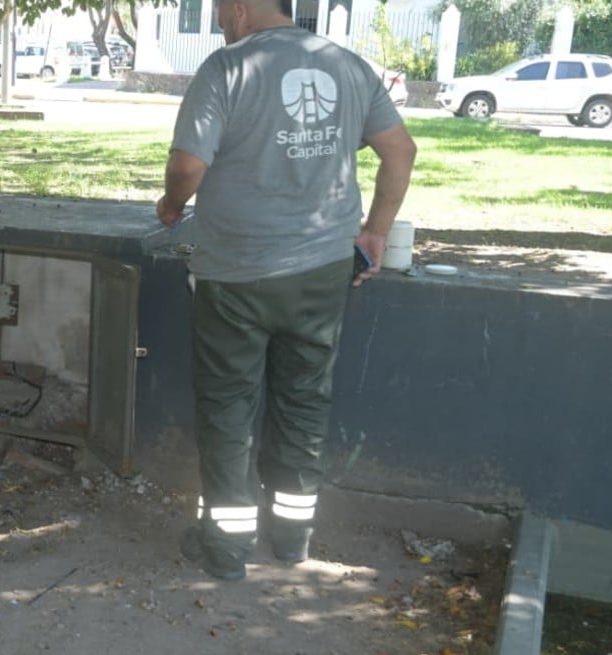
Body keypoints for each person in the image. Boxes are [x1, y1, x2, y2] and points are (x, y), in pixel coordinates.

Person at [155, 0, 417, 581]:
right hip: (322, 271)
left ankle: (225, 552)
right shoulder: (347, 65)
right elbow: (401, 150)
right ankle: (293, 540)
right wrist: (375, 231)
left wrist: (173, 206)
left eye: (222, 10)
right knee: (304, 402)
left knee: (228, 409)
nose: (221, 21)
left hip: (237, 273)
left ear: (242, 9)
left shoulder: (227, 68)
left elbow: (188, 165)